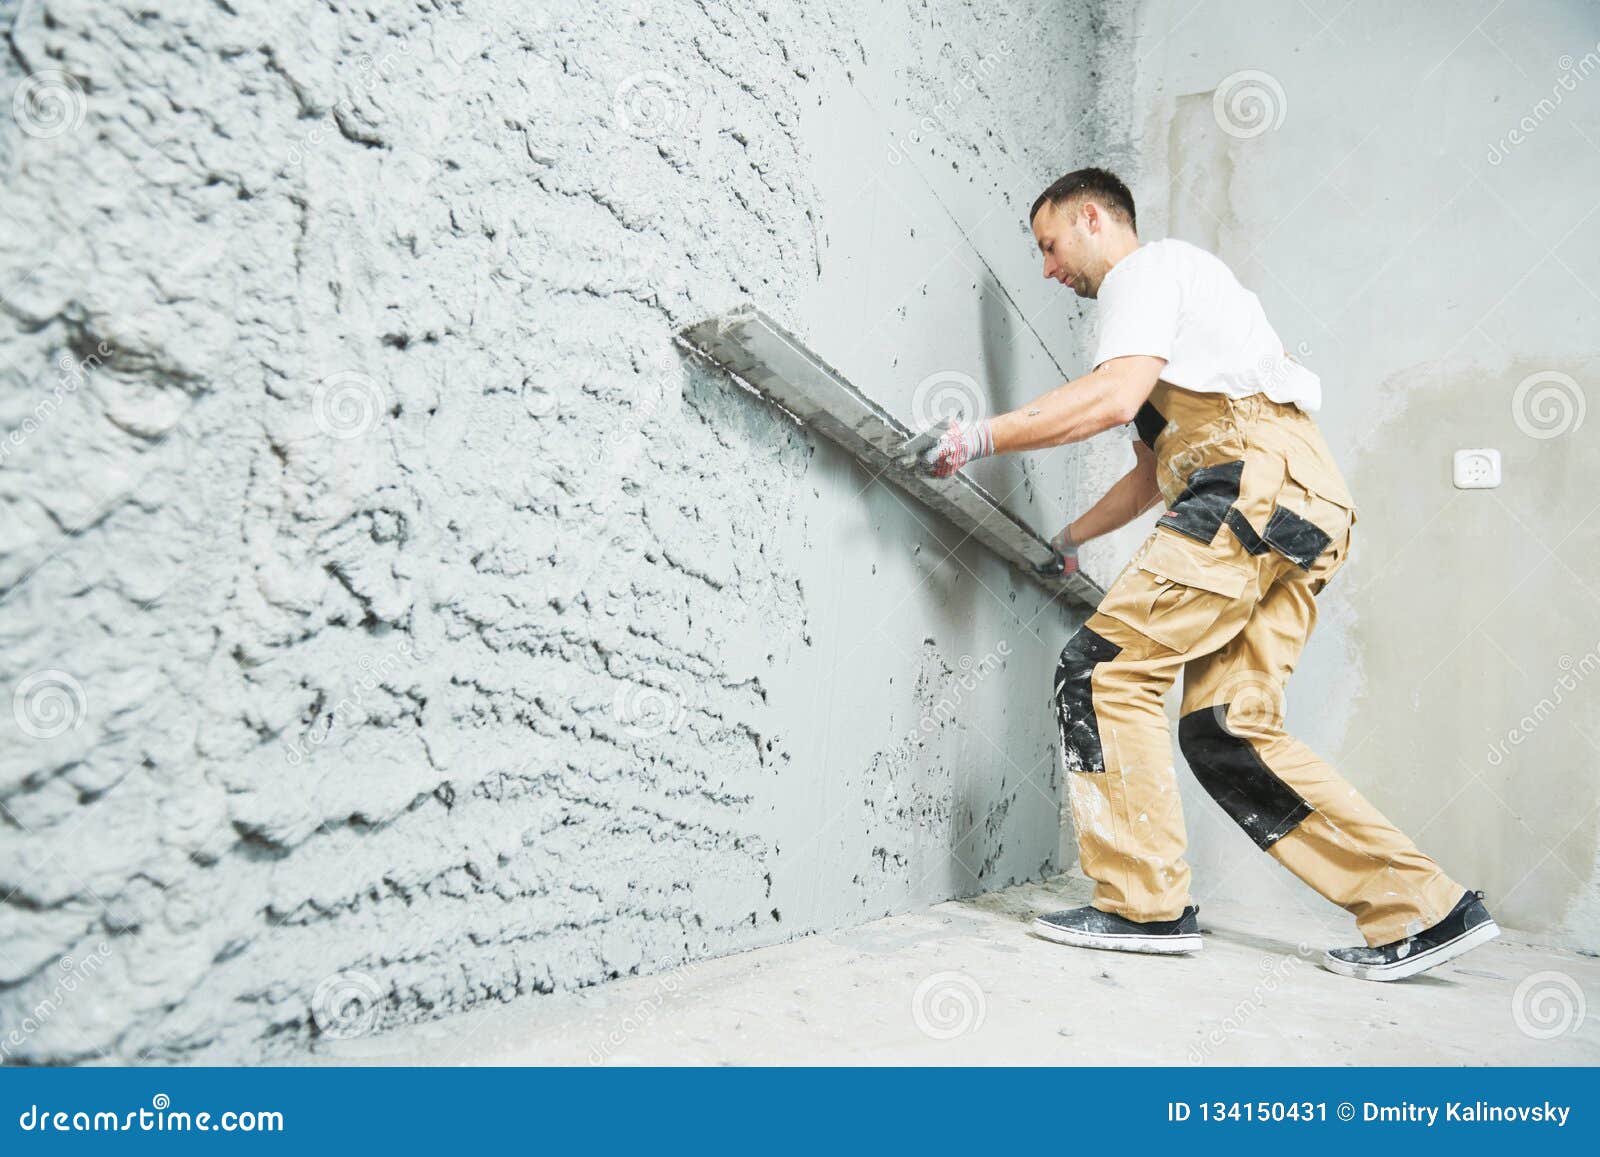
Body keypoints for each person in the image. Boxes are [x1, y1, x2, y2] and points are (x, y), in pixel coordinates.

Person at [900, 168, 1497, 982]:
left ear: (1090, 217)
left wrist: (978, 439)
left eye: (1049, 246)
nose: (1049, 269)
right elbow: (1151, 471)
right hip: (1301, 503)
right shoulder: (1183, 316)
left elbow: (1112, 400)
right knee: (1225, 727)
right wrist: (1068, 537)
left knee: (1103, 668)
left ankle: (1142, 906)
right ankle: (1423, 906)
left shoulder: (1146, 273)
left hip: (1249, 483)